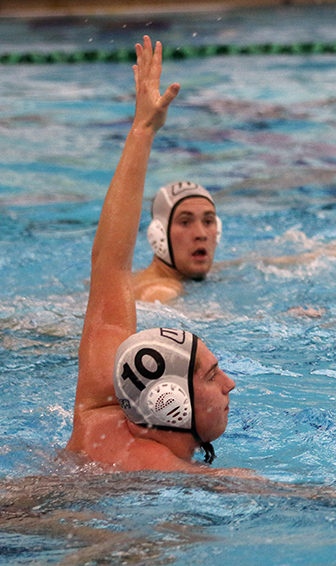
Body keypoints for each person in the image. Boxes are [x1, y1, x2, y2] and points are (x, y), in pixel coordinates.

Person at [67, 36, 250, 476]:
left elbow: (109, 265)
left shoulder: (96, 416)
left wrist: (142, 130)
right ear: (169, 401)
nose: (230, 384)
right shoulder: (186, 479)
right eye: (210, 377)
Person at [133, 180, 222, 303]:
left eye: (208, 221)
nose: (201, 234)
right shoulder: (157, 292)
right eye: (185, 222)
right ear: (159, 233)